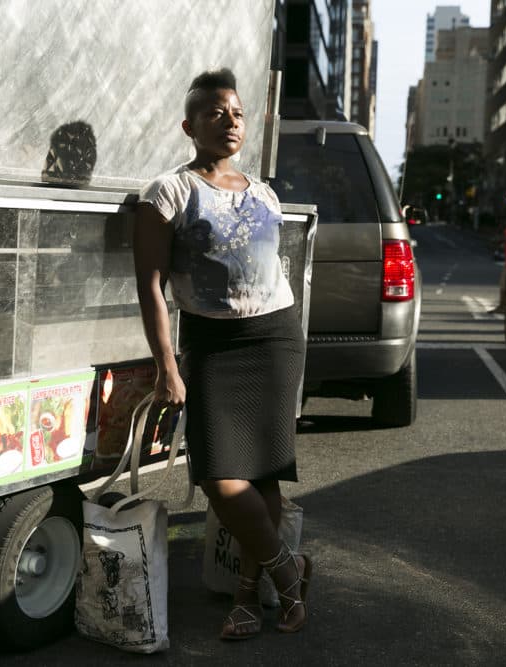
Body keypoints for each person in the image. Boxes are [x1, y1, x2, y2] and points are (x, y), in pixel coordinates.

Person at [133, 69, 311, 640]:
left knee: (264, 475)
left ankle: (246, 596)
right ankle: (288, 571)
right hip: (212, 344)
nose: (230, 121)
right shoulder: (170, 192)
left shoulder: (263, 192)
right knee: (218, 476)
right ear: (190, 126)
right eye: (215, 113)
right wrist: (165, 364)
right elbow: (151, 285)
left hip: (276, 338)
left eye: (235, 113)